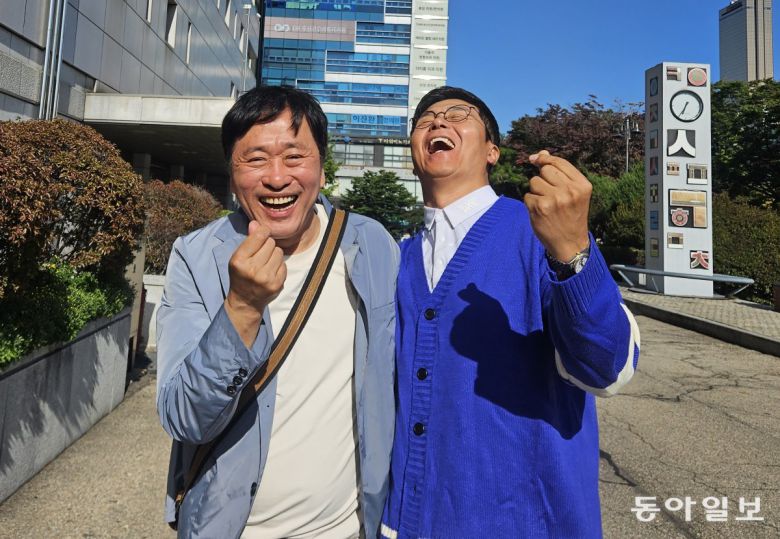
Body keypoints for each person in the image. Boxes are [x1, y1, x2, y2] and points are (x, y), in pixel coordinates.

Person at [380, 86, 641, 539]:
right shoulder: (397, 258)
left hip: (528, 523)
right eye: (425, 120)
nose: (438, 122)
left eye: (458, 115)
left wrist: (573, 252)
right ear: (414, 155)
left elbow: (608, 369)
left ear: (492, 152)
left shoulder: (540, 233)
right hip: (409, 523)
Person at [156, 86, 399, 538]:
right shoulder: (196, 256)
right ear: (232, 175)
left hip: (346, 529)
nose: (276, 177)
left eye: (294, 157)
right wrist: (242, 307)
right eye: (255, 159)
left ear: (321, 167)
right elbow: (184, 417)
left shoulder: (372, 245)